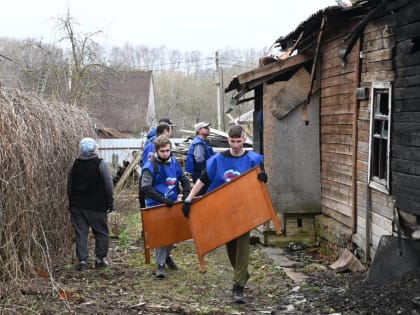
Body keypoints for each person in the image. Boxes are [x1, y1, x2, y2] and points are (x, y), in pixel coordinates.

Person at [181, 125, 267, 303]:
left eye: (238, 141)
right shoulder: (218, 159)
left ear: (244, 139)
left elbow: (260, 179)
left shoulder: (253, 159)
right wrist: (189, 199)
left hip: (244, 209)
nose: (235, 145)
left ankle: (238, 287)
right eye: (232, 141)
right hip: (224, 209)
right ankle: (241, 273)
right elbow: (204, 179)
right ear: (228, 140)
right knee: (230, 244)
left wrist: (263, 178)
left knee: (242, 243)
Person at [140, 135, 191, 279]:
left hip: (173, 203)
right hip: (156, 205)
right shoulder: (150, 166)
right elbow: (146, 187)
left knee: (173, 233)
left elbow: (183, 179)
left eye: (167, 150)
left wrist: (187, 193)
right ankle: (160, 264)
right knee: (161, 236)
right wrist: (162, 200)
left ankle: (167, 256)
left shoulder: (174, 163)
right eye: (162, 151)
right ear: (157, 151)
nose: (165, 153)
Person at [67, 137, 114, 271]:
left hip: (78, 205)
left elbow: (69, 185)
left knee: (81, 233)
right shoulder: (100, 164)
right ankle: (100, 259)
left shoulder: (75, 164)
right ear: (93, 150)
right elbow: (108, 185)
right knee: (101, 233)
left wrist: (71, 202)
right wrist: (110, 202)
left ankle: (82, 261)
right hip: (97, 206)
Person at [185, 122, 215, 195]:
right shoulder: (199, 144)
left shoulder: (202, 142)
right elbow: (199, 160)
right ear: (199, 130)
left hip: (201, 172)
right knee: (202, 194)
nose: (208, 129)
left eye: (208, 127)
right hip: (200, 173)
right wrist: (206, 171)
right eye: (205, 128)